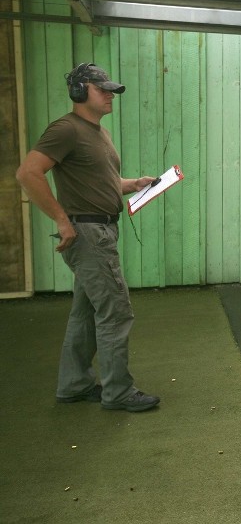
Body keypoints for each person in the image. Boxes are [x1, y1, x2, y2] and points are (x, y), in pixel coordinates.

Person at [16, 63, 161, 413]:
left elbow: (101, 182)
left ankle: (74, 384)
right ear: (80, 91)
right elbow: (28, 173)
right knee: (115, 313)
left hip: (101, 230)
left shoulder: (99, 132)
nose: (110, 94)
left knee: (85, 314)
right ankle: (118, 393)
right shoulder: (66, 130)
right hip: (89, 235)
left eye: (111, 89)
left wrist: (133, 185)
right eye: (103, 89)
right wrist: (62, 221)